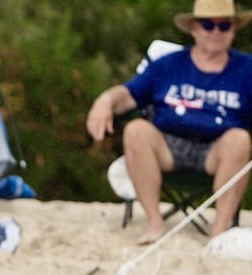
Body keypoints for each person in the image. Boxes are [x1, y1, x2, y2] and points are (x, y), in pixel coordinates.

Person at [86, 0, 252, 244]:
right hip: (168, 147)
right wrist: (105, 101)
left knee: (240, 139)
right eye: (208, 25)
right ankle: (154, 223)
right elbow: (128, 95)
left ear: (233, 30)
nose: (216, 32)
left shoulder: (247, 68)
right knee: (136, 130)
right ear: (194, 28)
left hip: (218, 152)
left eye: (224, 25)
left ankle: (219, 232)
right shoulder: (169, 64)